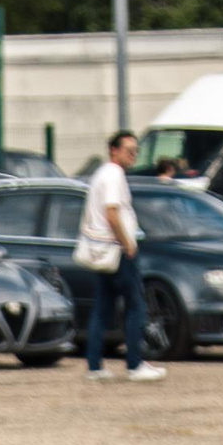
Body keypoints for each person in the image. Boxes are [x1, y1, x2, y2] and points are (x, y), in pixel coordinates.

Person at [73, 130, 159, 379]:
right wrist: (127, 243)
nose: (133, 155)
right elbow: (112, 213)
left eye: (136, 151)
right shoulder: (113, 175)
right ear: (114, 150)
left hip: (102, 251)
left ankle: (95, 365)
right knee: (135, 305)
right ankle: (135, 364)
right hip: (115, 250)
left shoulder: (101, 174)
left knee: (103, 307)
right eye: (129, 150)